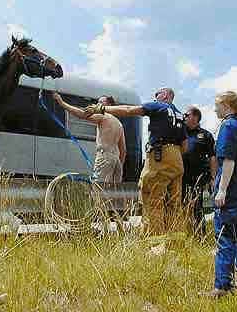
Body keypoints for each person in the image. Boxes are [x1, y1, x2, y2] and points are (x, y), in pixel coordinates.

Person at [83, 87, 188, 235]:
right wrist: (173, 155)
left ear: (164, 95)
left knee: (152, 197)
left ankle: (155, 243)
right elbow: (185, 145)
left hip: (160, 154)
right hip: (177, 158)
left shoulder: (158, 105)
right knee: (174, 202)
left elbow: (128, 110)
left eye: (156, 95)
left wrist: (102, 108)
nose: (154, 98)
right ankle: (176, 240)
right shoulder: (180, 115)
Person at [202, 91, 237, 298]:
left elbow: (228, 160)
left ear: (226, 105)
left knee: (225, 234)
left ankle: (222, 287)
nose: (215, 109)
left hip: (233, 184)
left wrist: (222, 189)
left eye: (217, 105)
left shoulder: (227, 126)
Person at [53, 93, 126, 183]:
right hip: (116, 161)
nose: (97, 105)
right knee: (114, 193)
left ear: (109, 105)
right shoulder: (119, 124)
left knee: (98, 189)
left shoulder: (104, 116)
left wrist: (62, 103)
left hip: (104, 157)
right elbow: (123, 150)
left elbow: (82, 114)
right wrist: (119, 165)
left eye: (100, 102)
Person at [181, 106, 217, 236]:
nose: (184, 117)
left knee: (196, 206)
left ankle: (199, 236)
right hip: (180, 176)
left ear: (195, 117)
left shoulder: (206, 135)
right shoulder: (180, 132)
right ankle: (183, 235)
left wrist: (213, 177)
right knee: (180, 205)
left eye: (187, 115)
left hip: (197, 177)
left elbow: (213, 157)